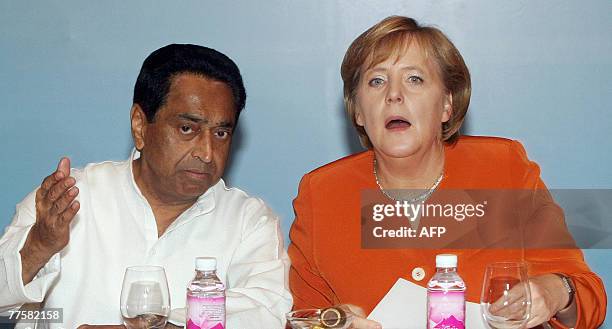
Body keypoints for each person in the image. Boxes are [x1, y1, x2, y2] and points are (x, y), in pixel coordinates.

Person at [288, 16, 606, 329]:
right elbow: (301, 317)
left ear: (446, 105)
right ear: (358, 110)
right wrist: (333, 323)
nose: (394, 95)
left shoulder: (503, 168)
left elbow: (587, 295)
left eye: (414, 79)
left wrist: (554, 291)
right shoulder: (322, 193)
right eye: (377, 81)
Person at [0, 44, 292, 328]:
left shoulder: (248, 221)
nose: (206, 152)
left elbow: (265, 313)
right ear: (140, 125)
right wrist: (39, 245)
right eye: (187, 129)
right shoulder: (68, 199)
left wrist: (160, 327)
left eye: (220, 133)